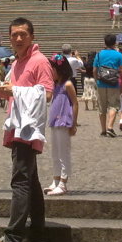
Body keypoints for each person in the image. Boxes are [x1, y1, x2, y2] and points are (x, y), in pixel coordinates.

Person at [0, 17, 54, 242]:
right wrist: (4, 92)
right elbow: (18, 93)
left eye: (23, 34)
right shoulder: (16, 63)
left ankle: (12, 238)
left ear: (32, 36)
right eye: (14, 34)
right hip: (18, 124)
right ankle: (38, 235)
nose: (19, 38)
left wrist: (15, 90)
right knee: (31, 182)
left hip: (28, 127)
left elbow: (47, 94)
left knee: (20, 181)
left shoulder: (39, 61)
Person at [44, 54, 79, 196]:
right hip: (54, 121)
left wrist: (74, 123)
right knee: (55, 153)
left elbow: (75, 103)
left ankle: (63, 182)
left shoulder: (68, 84)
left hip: (64, 121)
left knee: (64, 153)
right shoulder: (55, 85)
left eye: (52, 69)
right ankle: (56, 179)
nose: (50, 72)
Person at [92, 33, 122, 137]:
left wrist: (96, 80)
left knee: (102, 108)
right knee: (113, 105)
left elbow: (95, 70)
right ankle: (110, 127)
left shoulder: (99, 54)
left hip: (101, 83)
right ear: (114, 43)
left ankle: (103, 129)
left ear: (105, 42)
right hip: (113, 83)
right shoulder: (118, 55)